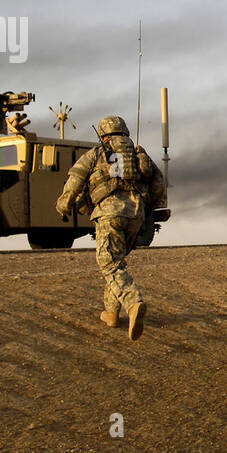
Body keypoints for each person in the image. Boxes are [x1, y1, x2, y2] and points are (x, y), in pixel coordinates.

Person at [56, 115, 166, 340]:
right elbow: (159, 184)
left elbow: (76, 178)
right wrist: (146, 209)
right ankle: (111, 313)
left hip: (109, 213)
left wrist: (64, 203)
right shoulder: (138, 154)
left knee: (108, 264)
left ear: (103, 135)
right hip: (136, 215)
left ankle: (133, 302)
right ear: (124, 133)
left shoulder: (97, 153)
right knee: (117, 261)